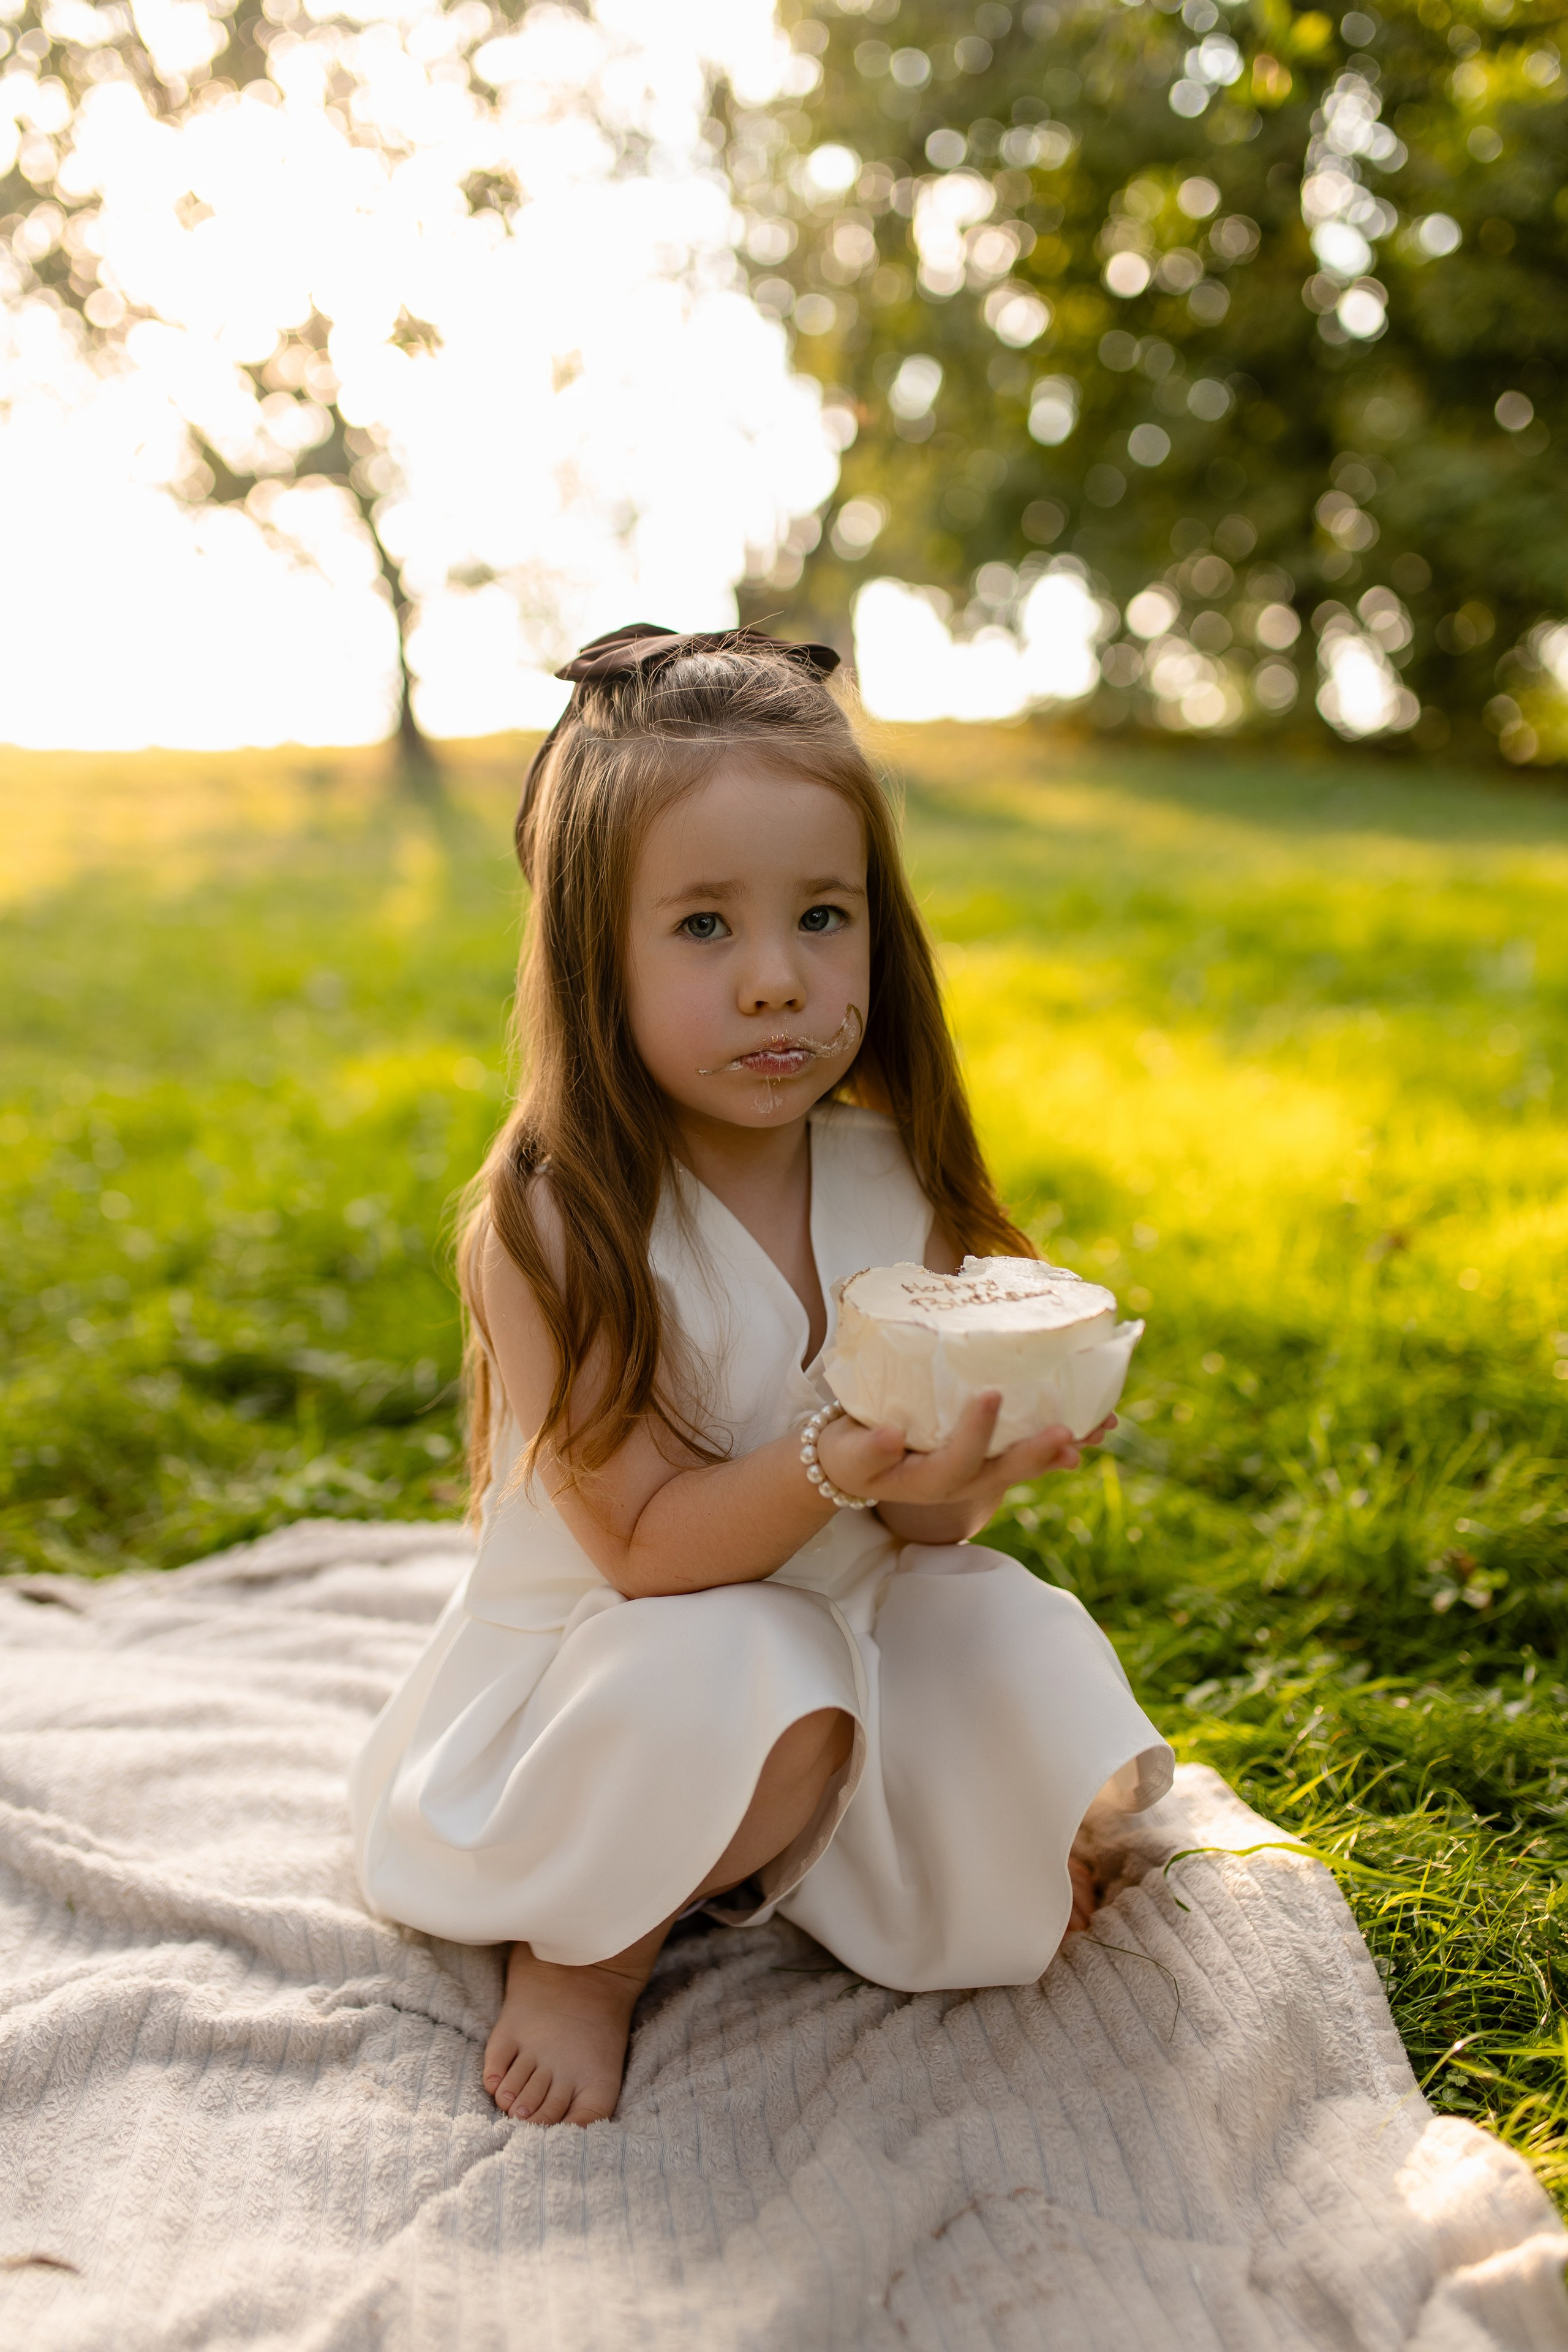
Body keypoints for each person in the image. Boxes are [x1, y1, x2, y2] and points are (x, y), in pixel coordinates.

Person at [349, 624, 1173, 2129]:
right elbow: (652, 1555)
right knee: (753, 1678)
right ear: (592, 952)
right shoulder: (556, 1219)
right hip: (618, 1681)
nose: (778, 981)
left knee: (992, 1621)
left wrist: (965, 1469)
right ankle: (591, 1940)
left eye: (821, 915)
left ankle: (847, 1858)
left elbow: (912, 1535)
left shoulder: (888, 1179)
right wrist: (842, 1459)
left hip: (834, 1625)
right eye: (704, 929)